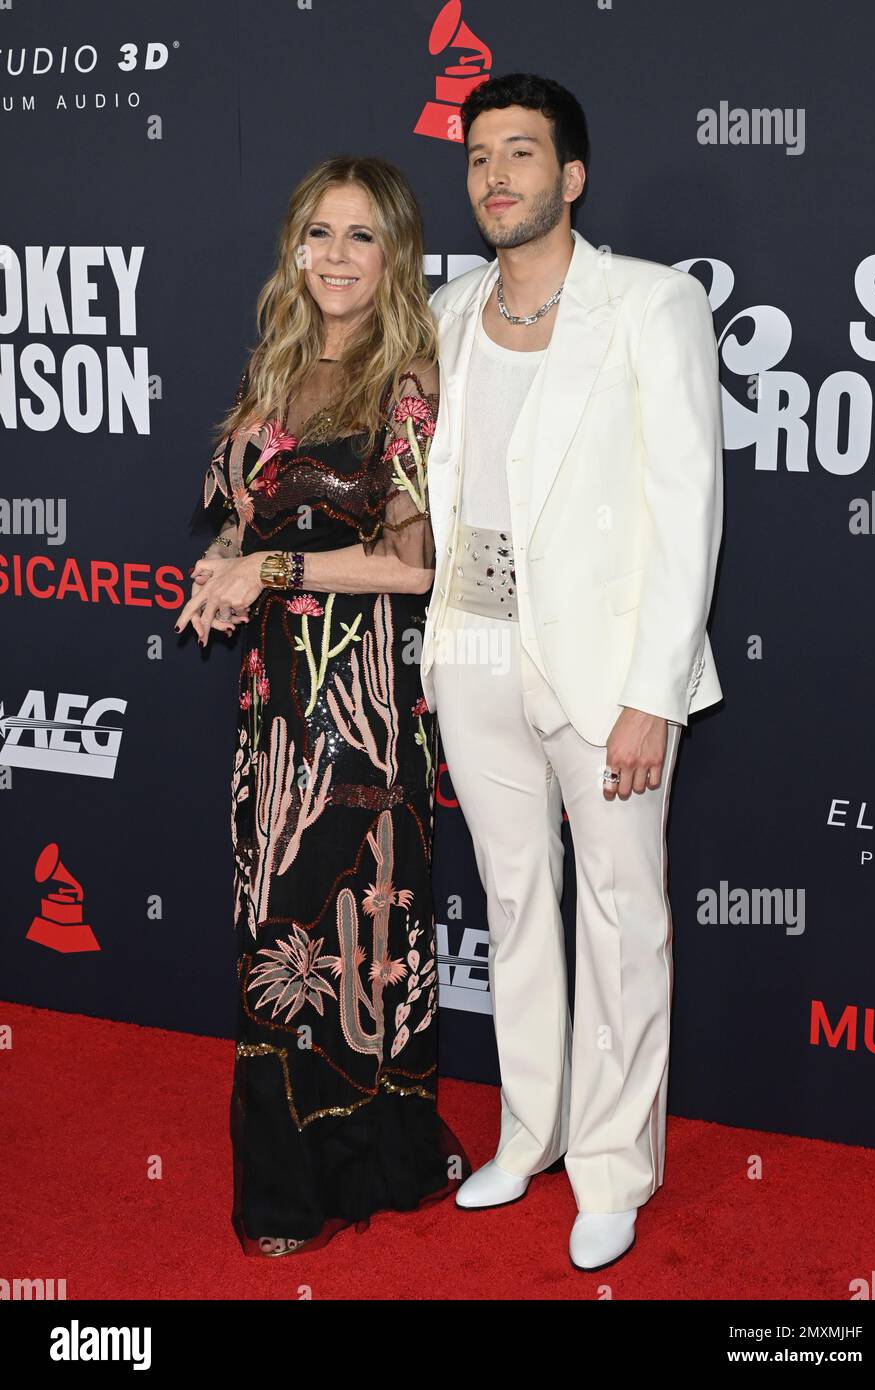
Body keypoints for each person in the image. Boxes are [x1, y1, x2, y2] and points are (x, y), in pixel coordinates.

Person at [420, 73, 724, 1271]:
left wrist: (655, 690)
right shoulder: (445, 311)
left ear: (572, 175)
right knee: (510, 902)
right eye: (482, 156)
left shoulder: (651, 305)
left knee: (620, 913)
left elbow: (688, 507)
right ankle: (527, 1131)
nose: (498, 176)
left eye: (523, 154)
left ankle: (611, 1166)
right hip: (476, 645)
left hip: (607, 673)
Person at [176, 156, 471, 1257]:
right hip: (276, 701)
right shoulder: (276, 365)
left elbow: (416, 564)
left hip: (359, 705)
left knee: (343, 925)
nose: (334, 257)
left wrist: (276, 578)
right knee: (275, 925)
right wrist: (223, 563)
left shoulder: (407, 385)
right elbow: (250, 523)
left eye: (359, 236)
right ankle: (321, 1162)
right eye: (317, 233)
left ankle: (334, 1173)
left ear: (394, 254)